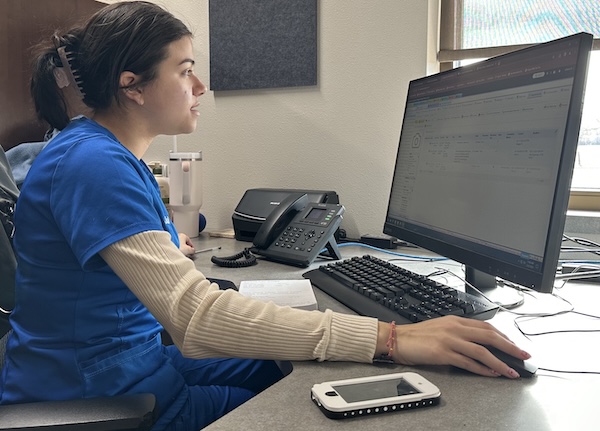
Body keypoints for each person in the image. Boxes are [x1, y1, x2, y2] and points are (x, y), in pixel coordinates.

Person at [0, 2, 532, 430]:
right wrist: (389, 338)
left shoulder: (108, 155)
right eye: (185, 71)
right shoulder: (93, 164)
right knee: (311, 406)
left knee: (293, 368)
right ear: (132, 84)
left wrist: (167, 249)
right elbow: (195, 320)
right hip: (96, 395)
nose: (201, 87)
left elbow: (146, 257)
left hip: (134, 367)